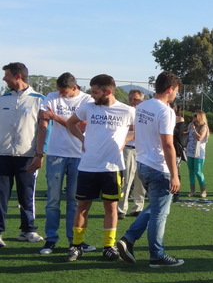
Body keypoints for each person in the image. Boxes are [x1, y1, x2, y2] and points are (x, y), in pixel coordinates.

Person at [64, 74, 135, 262]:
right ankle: (76, 246)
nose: (92, 95)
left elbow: (139, 130)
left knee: (111, 208)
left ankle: (109, 247)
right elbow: (70, 123)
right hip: (88, 166)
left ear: (108, 91)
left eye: (95, 92)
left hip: (113, 167)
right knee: (82, 206)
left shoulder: (127, 110)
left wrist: (125, 140)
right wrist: (82, 139)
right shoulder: (88, 108)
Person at [117, 71, 185, 268]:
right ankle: (157, 255)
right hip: (158, 167)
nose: (176, 95)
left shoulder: (142, 106)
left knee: (155, 207)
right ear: (170, 89)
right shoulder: (166, 111)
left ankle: (128, 239)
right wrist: (175, 175)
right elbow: (168, 145)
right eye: (176, 91)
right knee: (159, 213)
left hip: (143, 163)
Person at [37, 72, 96, 254]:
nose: (60, 94)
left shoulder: (87, 100)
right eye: (59, 91)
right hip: (56, 153)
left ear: (75, 88)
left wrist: (56, 117)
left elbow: (81, 127)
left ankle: (75, 241)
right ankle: (50, 240)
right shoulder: (51, 96)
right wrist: (40, 151)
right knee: (53, 200)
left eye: (64, 92)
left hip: (79, 155)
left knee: (75, 201)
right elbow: (43, 120)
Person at [0, 62, 46, 247]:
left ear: (18, 76)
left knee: (27, 195)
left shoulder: (39, 100)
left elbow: (44, 129)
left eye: (7, 75)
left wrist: (39, 154)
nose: (4, 78)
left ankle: (28, 230)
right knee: (0, 195)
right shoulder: (3, 99)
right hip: (2, 155)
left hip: (27, 156)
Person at [117, 89, 146, 219]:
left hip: (141, 149)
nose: (133, 102)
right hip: (128, 149)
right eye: (131, 99)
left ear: (142, 100)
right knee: (126, 179)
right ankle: (121, 209)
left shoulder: (145, 113)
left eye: (136, 99)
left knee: (140, 181)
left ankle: (138, 207)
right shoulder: (125, 111)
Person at [186, 110, 209, 198]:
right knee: (191, 172)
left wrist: (194, 130)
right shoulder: (191, 125)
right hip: (190, 151)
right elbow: (187, 134)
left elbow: (199, 138)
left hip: (199, 153)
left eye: (195, 115)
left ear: (200, 117)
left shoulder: (204, 127)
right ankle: (192, 191)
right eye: (193, 115)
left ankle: (203, 190)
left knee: (198, 172)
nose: (193, 117)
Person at [171, 104, 187, 203]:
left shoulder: (179, 119)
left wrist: (169, 124)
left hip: (176, 149)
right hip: (163, 148)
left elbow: (178, 134)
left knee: (176, 170)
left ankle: (176, 193)